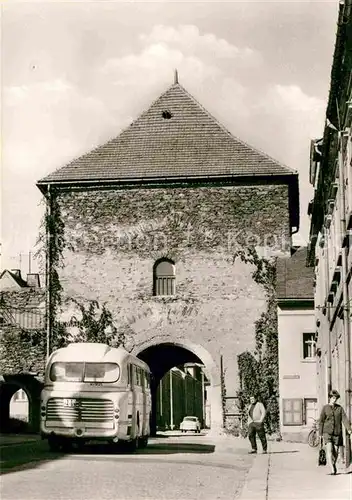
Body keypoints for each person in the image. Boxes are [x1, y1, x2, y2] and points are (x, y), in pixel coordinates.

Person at [319, 389, 352, 475]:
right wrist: (320, 434)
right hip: (327, 432)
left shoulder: (340, 408)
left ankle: (333, 464)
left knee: (336, 452)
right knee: (329, 450)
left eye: (336, 398)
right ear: (330, 398)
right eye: (333, 398)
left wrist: (348, 428)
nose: (334, 400)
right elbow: (321, 421)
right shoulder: (325, 408)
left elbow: (344, 418)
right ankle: (332, 469)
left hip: (337, 433)